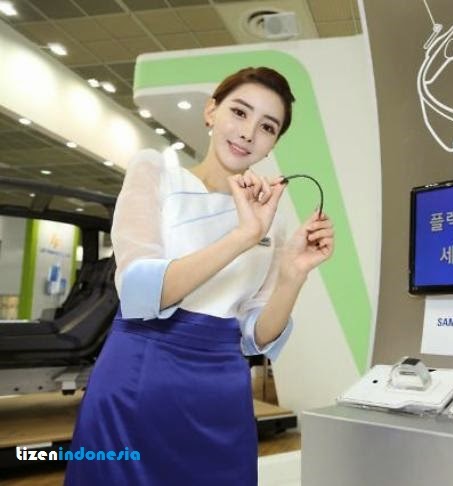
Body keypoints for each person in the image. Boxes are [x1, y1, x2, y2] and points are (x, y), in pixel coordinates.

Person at [64, 67, 334, 485]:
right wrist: (243, 236)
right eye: (239, 112)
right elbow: (139, 292)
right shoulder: (156, 172)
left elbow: (256, 337)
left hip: (221, 394)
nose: (248, 133)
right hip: (140, 379)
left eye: (267, 127)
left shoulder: (272, 218)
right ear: (211, 111)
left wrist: (293, 275)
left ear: (273, 143)